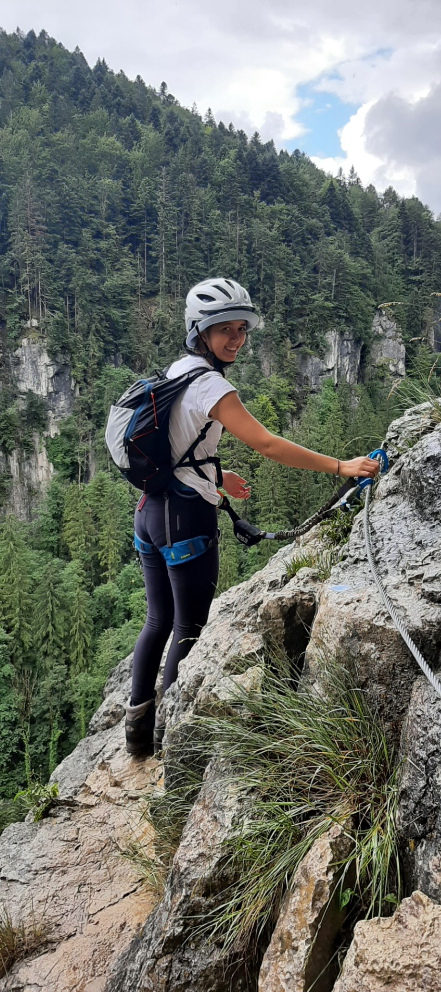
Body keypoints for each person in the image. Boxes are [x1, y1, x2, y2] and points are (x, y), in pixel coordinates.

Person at [124, 277, 379, 756]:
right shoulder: (211, 384)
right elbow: (267, 443)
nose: (236, 338)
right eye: (225, 329)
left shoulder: (177, 370)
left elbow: (177, 442)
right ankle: (170, 745)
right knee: (187, 628)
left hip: (150, 511)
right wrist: (341, 467)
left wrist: (218, 475)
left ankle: (137, 737)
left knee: (157, 620)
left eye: (241, 328)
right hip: (185, 519)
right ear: (200, 331)